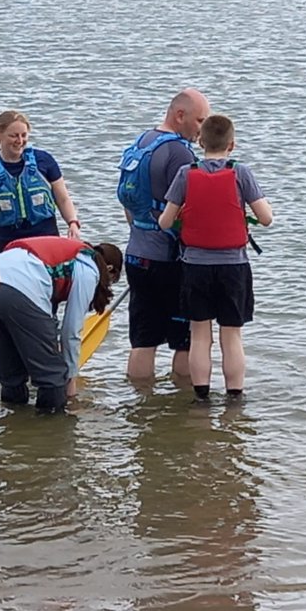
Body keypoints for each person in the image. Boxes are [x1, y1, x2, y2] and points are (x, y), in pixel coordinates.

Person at [158, 114, 273, 401]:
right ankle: (235, 397)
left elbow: (164, 221)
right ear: (231, 145)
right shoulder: (241, 173)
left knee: (199, 335)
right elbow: (267, 218)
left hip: (195, 266)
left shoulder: (186, 173)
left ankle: (201, 396)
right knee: (231, 336)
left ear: (200, 141)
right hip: (234, 265)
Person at [119, 88, 211, 380]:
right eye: (199, 121)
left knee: (143, 340)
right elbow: (192, 210)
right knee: (184, 343)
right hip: (169, 260)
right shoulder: (180, 153)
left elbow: (129, 205)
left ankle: (141, 408)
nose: (202, 129)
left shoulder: (142, 142)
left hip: (136, 254)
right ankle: (180, 413)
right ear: (179, 115)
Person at [0, 236, 123, 413]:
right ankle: (52, 431)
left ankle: (12, 424)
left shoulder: (70, 254)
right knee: (52, 376)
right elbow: (71, 331)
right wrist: (70, 377)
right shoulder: (90, 269)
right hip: (21, 290)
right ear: (109, 269)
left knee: (11, 374)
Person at [0, 110, 82, 255]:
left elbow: (63, 199)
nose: (19, 141)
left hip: (46, 242)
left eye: (23, 135)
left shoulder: (44, 161)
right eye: (13, 136)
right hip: (8, 247)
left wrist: (73, 223)